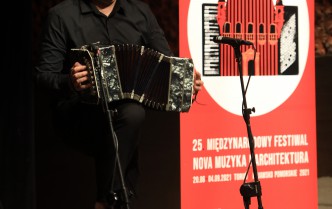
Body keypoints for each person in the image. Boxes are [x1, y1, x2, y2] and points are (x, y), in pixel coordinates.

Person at [34, 0, 204, 208]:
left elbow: (166, 65)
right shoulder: (62, 15)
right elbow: (43, 77)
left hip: (123, 113)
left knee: (130, 114)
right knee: (131, 117)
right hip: (79, 113)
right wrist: (70, 81)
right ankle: (114, 199)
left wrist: (186, 81)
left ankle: (107, 201)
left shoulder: (139, 12)